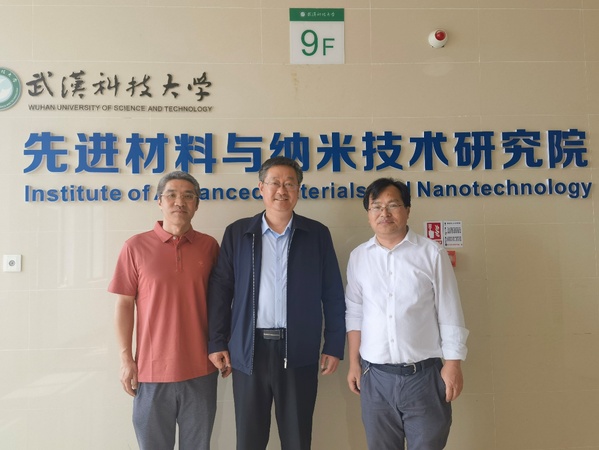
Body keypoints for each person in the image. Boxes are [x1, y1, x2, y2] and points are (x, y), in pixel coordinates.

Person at [208, 156, 346, 450]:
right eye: (274, 183)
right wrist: (217, 341)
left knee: (297, 439)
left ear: (298, 190)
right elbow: (221, 291)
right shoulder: (238, 233)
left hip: (298, 349)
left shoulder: (316, 234)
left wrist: (334, 344)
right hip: (248, 350)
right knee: (249, 439)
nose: (282, 190)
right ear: (261, 188)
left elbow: (333, 292)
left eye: (289, 184)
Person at [345, 177, 469, 450]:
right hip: (375, 377)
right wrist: (354, 363)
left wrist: (453, 364)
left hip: (424, 377)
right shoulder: (358, 257)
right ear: (368, 214)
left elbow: (450, 311)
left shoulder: (431, 253)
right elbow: (354, 313)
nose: (384, 213)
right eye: (376, 207)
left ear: (407, 210)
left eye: (393, 205)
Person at [108, 171, 219, 450]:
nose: (179, 202)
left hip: (201, 369)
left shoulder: (209, 247)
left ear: (197, 204)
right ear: (159, 201)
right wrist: (126, 359)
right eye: (171, 195)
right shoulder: (135, 247)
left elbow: (222, 302)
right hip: (150, 371)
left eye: (188, 196)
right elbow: (124, 304)